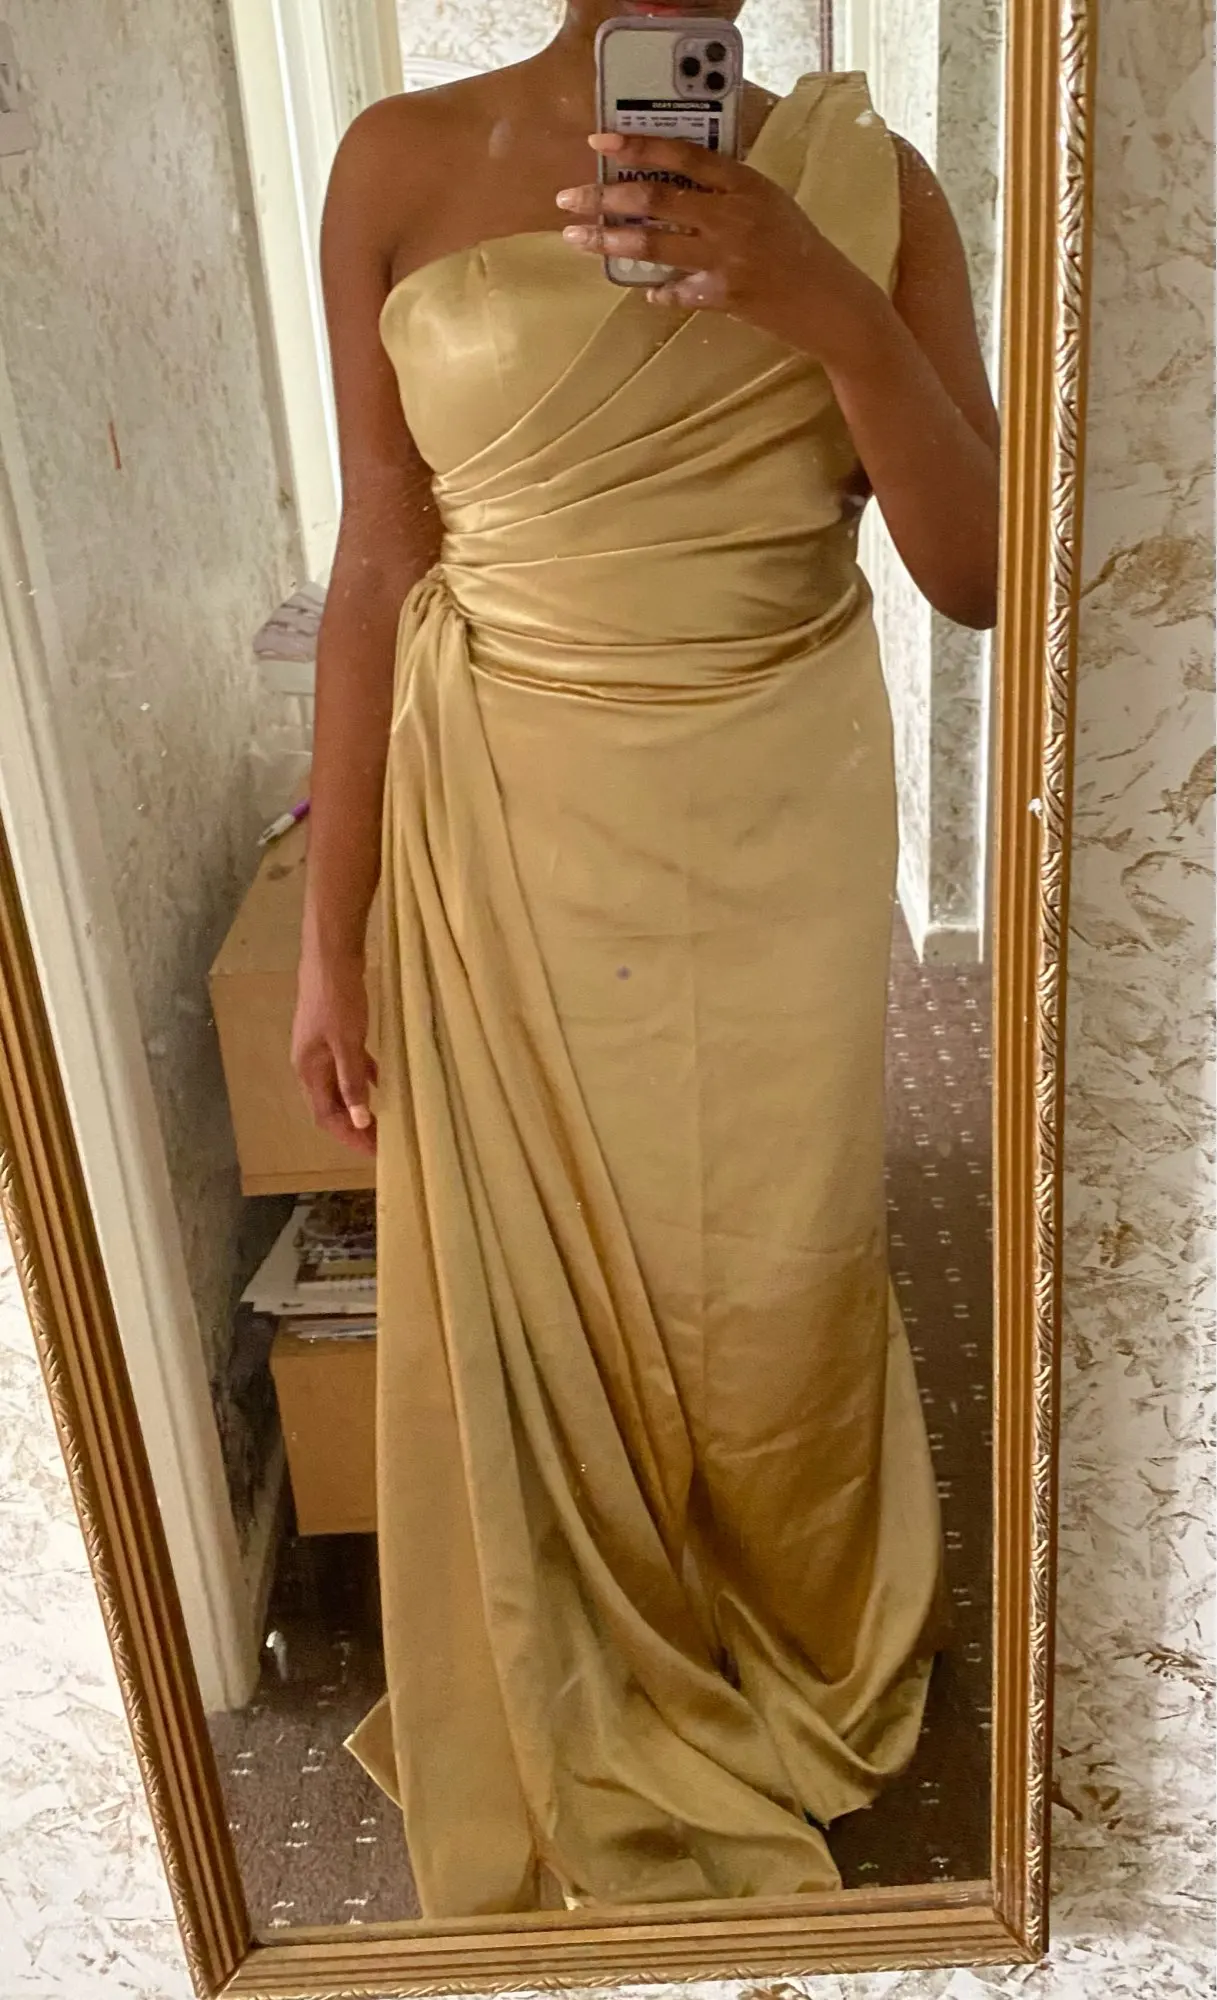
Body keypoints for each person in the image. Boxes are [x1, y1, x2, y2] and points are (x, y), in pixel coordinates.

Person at [290, 0, 1000, 1920]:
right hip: (506, 810)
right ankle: (591, 1654)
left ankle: (793, 1625)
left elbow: (980, 572)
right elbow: (380, 560)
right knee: (545, 1269)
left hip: (775, 801)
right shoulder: (394, 165)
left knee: (775, 1266)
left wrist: (826, 302)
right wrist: (331, 934)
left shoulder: (871, 186)